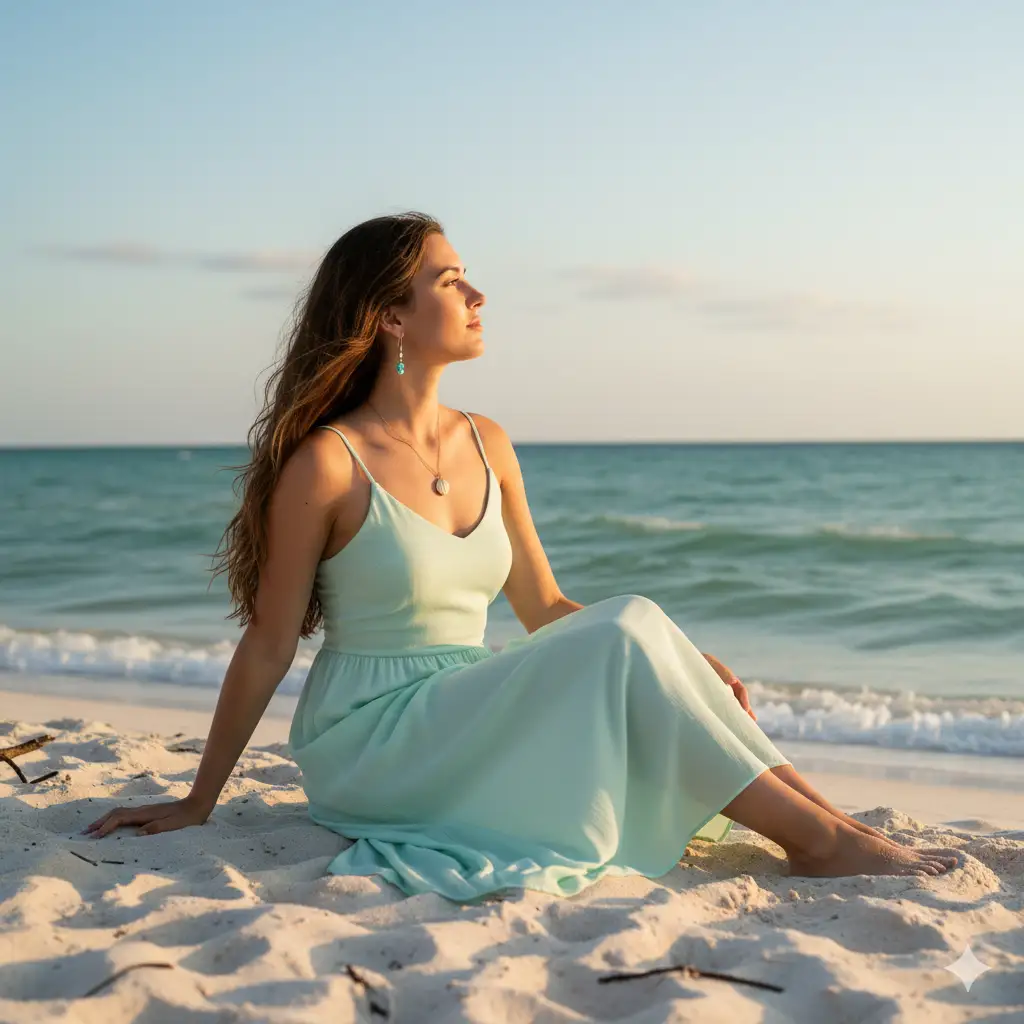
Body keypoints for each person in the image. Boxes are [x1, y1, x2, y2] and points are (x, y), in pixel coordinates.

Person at [83, 212, 960, 901]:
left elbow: (544, 606)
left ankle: (834, 828)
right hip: (374, 739)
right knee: (628, 630)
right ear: (390, 315)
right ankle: (823, 842)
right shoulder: (328, 463)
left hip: (468, 705)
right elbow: (270, 644)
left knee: (642, 624)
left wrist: (683, 666)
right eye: (450, 279)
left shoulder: (488, 441)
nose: (478, 294)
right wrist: (199, 799)